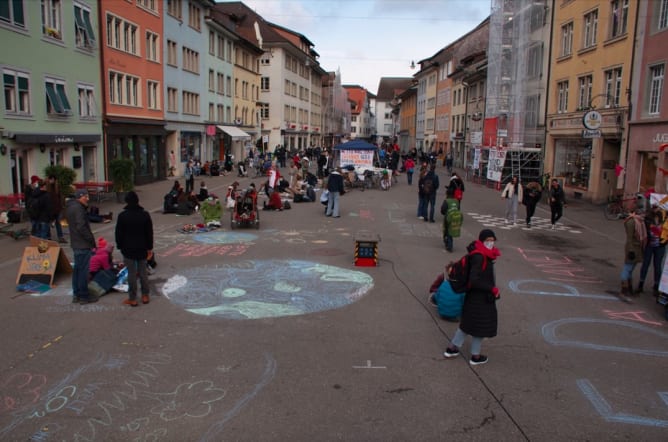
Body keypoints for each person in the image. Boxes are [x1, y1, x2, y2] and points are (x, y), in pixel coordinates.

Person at [443, 229, 502, 366]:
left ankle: (452, 349)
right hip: (480, 297)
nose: (490, 243)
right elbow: (474, 280)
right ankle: (475, 356)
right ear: (482, 241)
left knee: (467, 324)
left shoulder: (482, 254)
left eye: (492, 240)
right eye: (487, 240)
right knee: (480, 326)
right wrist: (491, 289)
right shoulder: (480, 256)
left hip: (475, 296)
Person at [115, 191, 154, 307]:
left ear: (127, 201)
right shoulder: (145, 215)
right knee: (143, 272)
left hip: (128, 248)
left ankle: (132, 298)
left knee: (131, 274)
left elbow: (118, 233)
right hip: (142, 247)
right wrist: (149, 247)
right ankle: (145, 295)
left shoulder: (122, 216)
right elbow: (149, 233)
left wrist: (120, 246)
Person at [64, 189, 98, 304]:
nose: (88, 199)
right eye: (86, 197)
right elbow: (81, 227)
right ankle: (84, 295)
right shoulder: (78, 209)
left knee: (77, 270)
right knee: (83, 271)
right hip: (82, 244)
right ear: (80, 197)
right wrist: (91, 240)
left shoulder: (71, 207)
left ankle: (76, 294)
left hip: (76, 243)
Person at [619, 208, 647, 303]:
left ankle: (629, 288)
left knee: (631, 269)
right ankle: (624, 290)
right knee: (627, 268)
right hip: (633, 248)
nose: (644, 216)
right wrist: (630, 250)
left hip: (638, 248)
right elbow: (630, 238)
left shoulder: (640, 222)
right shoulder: (632, 222)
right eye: (643, 214)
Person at [638, 206, 665, 296]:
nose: (656, 209)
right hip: (650, 245)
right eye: (655, 207)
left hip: (660, 246)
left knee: (657, 266)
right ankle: (641, 284)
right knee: (645, 264)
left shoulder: (664, 219)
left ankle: (656, 286)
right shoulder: (648, 218)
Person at [46, 175, 67, 243]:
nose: (51, 181)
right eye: (50, 179)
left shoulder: (57, 187)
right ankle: (48, 237)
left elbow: (60, 197)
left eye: (53, 179)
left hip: (57, 208)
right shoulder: (47, 188)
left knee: (58, 222)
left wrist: (62, 205)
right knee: (49, 223)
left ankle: (60, 237)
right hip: (49, 208)